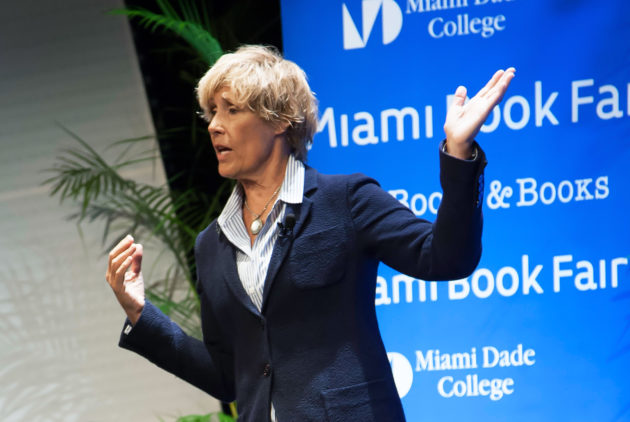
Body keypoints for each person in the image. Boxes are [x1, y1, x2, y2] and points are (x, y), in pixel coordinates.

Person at [105, 45, 515, 421]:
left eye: (231, 110)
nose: (214, 125)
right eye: (211, 112)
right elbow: (227, 378)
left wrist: (459, 154)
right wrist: (142, 314)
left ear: (280, 119)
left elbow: (446, 258)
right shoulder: (211, 244)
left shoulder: (346, 200)